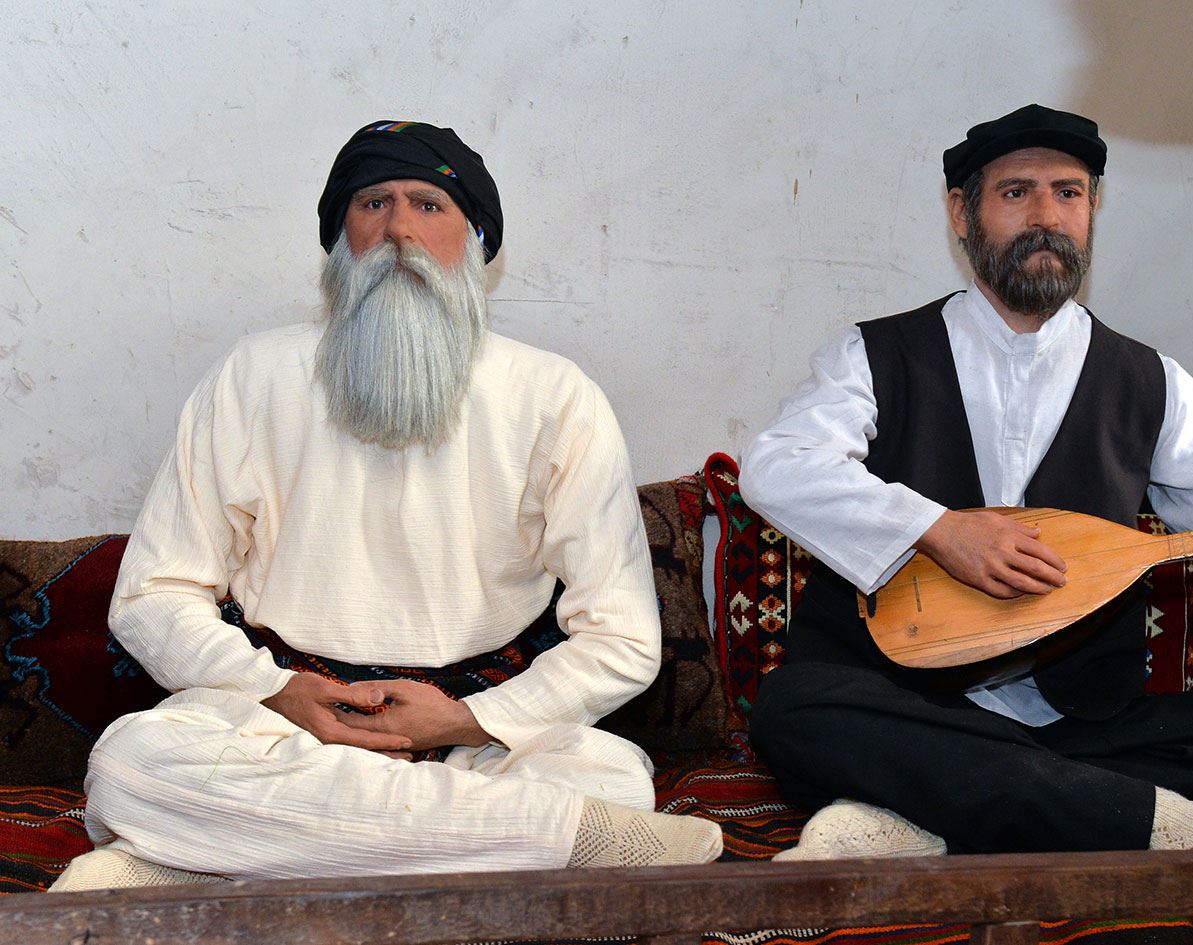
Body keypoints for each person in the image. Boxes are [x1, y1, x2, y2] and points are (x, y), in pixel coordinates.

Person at [51, 120, 721, 891]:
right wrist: (280, 691)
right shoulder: (252, 375)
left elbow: (623, 636)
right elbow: (153, 595)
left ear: (473, 240)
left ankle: (201, 856)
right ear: (341, 239)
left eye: (429, 205)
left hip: (481, 726)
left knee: (609, 778)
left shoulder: (556, 396)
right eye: (373, 202)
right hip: (284, 721)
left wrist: (464, 719)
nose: (400, 228)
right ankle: (551, 839)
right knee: (134, 764)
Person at [740, 104, 1193, 860]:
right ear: (962, 212)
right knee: (793, 709)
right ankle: (1144, 819)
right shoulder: (875, 355)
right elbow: (778, 466)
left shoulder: (1150, 381)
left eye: (1070, 192)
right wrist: (938, 530)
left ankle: (913, 810)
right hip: (899, 694)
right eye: (1017, 192)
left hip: (1067, 715)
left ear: (1091, 211)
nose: (1047, 214)